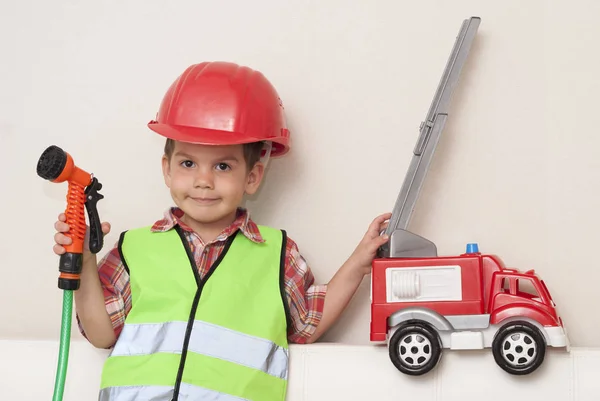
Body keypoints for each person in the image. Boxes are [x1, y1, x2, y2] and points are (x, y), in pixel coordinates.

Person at [52, 61, 391, 401]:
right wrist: (82, 259)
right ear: (167, 170)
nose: (203, 180)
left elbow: (308, 322)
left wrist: (358, 263)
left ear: (252, 177)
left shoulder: (276, 254)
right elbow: (100, 333)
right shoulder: (134, 249)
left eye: (223, 166)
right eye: (188, 163)